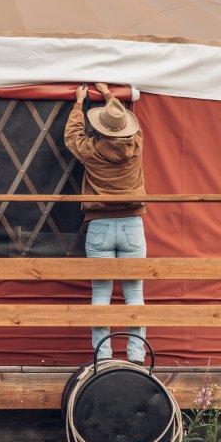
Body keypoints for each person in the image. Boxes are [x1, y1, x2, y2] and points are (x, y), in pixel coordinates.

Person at [64, 82, 147, 365]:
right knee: (134, 294)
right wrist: (110, 95)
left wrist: (78, 104)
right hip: (132, 226)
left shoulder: (91, 149)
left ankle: (103, 356)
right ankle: (136, 357)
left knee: (101, 293)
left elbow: (71, 136)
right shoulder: (137, 144)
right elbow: (122, 120)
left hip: (99, 226)